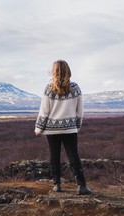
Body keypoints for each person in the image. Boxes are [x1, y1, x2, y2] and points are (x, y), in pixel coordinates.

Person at [34, 60, 92, 195]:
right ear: (68, 70)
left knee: (54, 155)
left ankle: (57, 185)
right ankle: (81, 186)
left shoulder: (48, 88)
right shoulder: (75, 88)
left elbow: (44, 111)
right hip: (70, 128)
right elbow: (80, 110)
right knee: (73, 155)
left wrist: (39, 128)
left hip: (51, 128)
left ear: (54, 72)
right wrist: (77, 125)